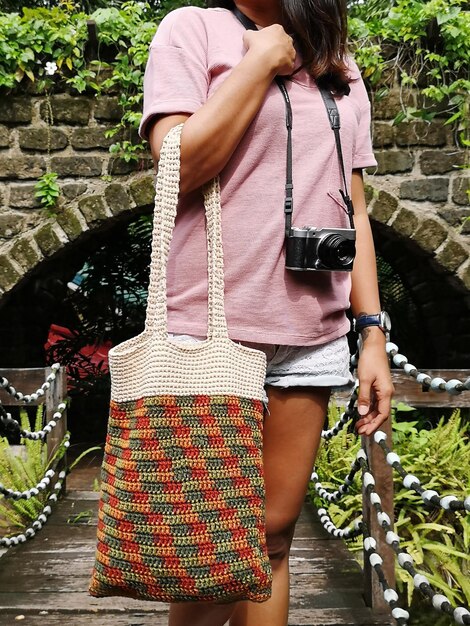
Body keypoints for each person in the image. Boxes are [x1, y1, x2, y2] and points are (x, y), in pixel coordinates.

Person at [139, 0, 394, 624]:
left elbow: (352, 207)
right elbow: (179, 167)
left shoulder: (339, 63)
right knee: (209, 556)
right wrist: (259, 66)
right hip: (208, 329)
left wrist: (371, 334)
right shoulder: (193, 29)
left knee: (273, 537)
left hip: (310, 333)